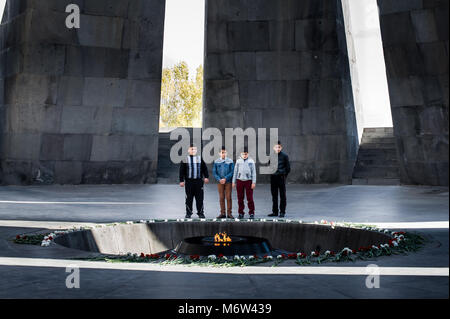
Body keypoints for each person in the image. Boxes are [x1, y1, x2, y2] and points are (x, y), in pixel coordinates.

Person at [179, 144, 209, 218]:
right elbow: (181, 170)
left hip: (198, 182)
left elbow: (204, 168)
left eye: (195, 149)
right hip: (189, 182)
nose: (193, 151)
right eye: (192, 149)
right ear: (189, 150)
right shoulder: (185, 159)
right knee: (189, 198)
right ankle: (188, 213)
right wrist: (181, 180)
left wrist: (206, 177)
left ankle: (200, 213)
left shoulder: (199, 158)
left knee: (200, 198)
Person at [232, 147, 256, 219]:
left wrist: (253, 182)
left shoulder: (251, 161)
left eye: (246, 154)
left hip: (248, 181)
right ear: (240, 154)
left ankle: (251, 213)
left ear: (248, 154)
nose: (244, 155)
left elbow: (254, 172)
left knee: (250, 198)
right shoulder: (238, 161)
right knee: (240, 198)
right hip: (239, 181)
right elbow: (235, 172)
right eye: (243, 154)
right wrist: (233, 181)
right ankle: (241, 213)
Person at [268, 141, 290, 218]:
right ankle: (275, 212)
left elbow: (288, 168)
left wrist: (284, 176)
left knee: (282, 195)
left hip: (281, 177)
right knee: (274, 195)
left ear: (281, 147)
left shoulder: (285, 156)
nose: (277, 148)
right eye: (276, 147)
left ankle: (282, 212)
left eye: (279, 147)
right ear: (273, 148)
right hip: (273, 178)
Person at [212, 146, 235, 219]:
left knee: (228, 197)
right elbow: (214, 172)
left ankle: (229, 213)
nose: (223, 154)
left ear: (226, 153)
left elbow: (232, 171)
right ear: (219, 153)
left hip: (228, 182)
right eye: (222, 153)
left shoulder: (230, 161)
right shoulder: (216, 162)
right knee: (221, 197)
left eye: (224, 152)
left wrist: (225, 178)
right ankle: (222, 213)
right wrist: (219, 179)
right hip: (220, 182)